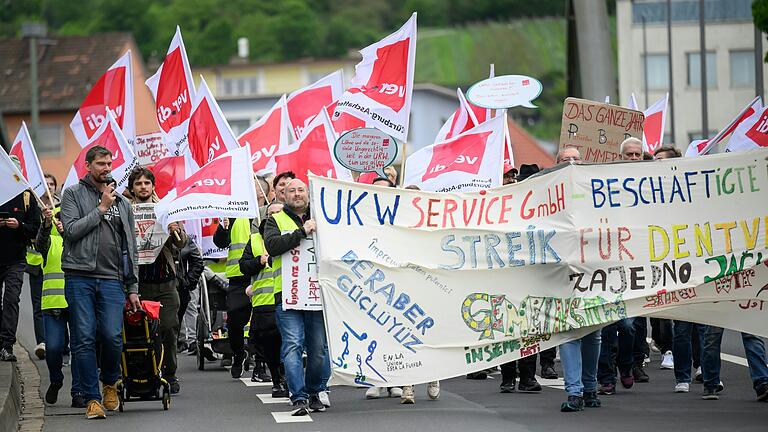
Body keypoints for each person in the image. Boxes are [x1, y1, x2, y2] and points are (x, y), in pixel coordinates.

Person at [60, 145, 140, 419]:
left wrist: (132, 287)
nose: (107, 168)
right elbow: (70, 231)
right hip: (79, 275)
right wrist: (101, 208)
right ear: (88, 166)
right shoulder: (72, 194)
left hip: (112, 279)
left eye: (109, 163)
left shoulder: (123, 203)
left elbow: (131, 247)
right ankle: (92, 399)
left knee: (112, 336)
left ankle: (109, 382)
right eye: (101, 164)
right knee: (83, 338)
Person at [264, 178, 330, 416]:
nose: (297, 194)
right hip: (288, 295)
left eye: (301, 190)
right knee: (292, 345)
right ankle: (298, 397)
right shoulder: (274, 220)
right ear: (284, 196)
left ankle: (314, 391)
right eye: (292, 191)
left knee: (318, 349)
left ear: (308, 193)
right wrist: (302, 232)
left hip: (316, 294)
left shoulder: (324, 218)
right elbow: (272, 246)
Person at [128, 167, 188, 394]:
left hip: (165, 282)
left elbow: (181, 243)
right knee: (141, 332)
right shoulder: (126, 210)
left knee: (168, 329)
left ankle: (170, 373)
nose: (143, 187)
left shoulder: (166, 208)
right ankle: (145, 373)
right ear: (132, 188)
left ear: (153, 186)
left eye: (146, 183)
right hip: (139, 284)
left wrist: (174, 230)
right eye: (138, 183)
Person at [552, 147, 602, 412]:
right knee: (569, 332)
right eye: (565, 158)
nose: (571, 162)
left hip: (594, 270)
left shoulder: (596, 190)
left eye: (576, 158)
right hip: (561, 272)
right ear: (556, 164)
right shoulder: (546, 192)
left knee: (593, 334)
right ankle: (575, 393)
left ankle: (590, 388)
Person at [214, 174, 270, 381]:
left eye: (255, 186)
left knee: (263, 323)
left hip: (264, 275)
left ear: (264, 192)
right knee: (236, 321)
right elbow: (220, 242)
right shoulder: (235, 214)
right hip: (239, 277)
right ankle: (239, 353)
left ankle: (260, 365)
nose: (250, 189)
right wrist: (224, 227)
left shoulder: (268, 216)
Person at [239, 202, 288, 399]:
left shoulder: (294, 236)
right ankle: (277, 380)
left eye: (279, 213)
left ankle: (289, 380)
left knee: (290, 343)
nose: (274, 217)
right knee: (271, 345)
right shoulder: (255, 240)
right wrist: (258, 262)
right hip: (264, 302)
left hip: (288, 298)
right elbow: (244, 267)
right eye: (271, 214)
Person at [36, 204, 82, 406]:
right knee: (54, 348)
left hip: (78, 301)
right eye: (58, 217)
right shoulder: (49, 241)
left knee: (79, 348)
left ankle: (78, 392)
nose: (62, 221)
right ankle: (56, 380)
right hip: (53, 304)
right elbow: (40, 242)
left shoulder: (80, 241)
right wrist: (46, 224)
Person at [0, 160, 41, 362]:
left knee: (11, 300)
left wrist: (20, 225)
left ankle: (7, 345)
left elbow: (35, 227)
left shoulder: (26, 196)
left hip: (16, 259)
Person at [176, 235, 204, 356]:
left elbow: (197, 261)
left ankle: (190, 340)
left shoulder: (185, 239)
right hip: (163, 285)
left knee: (189, 307)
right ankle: (179, 339)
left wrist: (189, 281)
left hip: (182, 284)